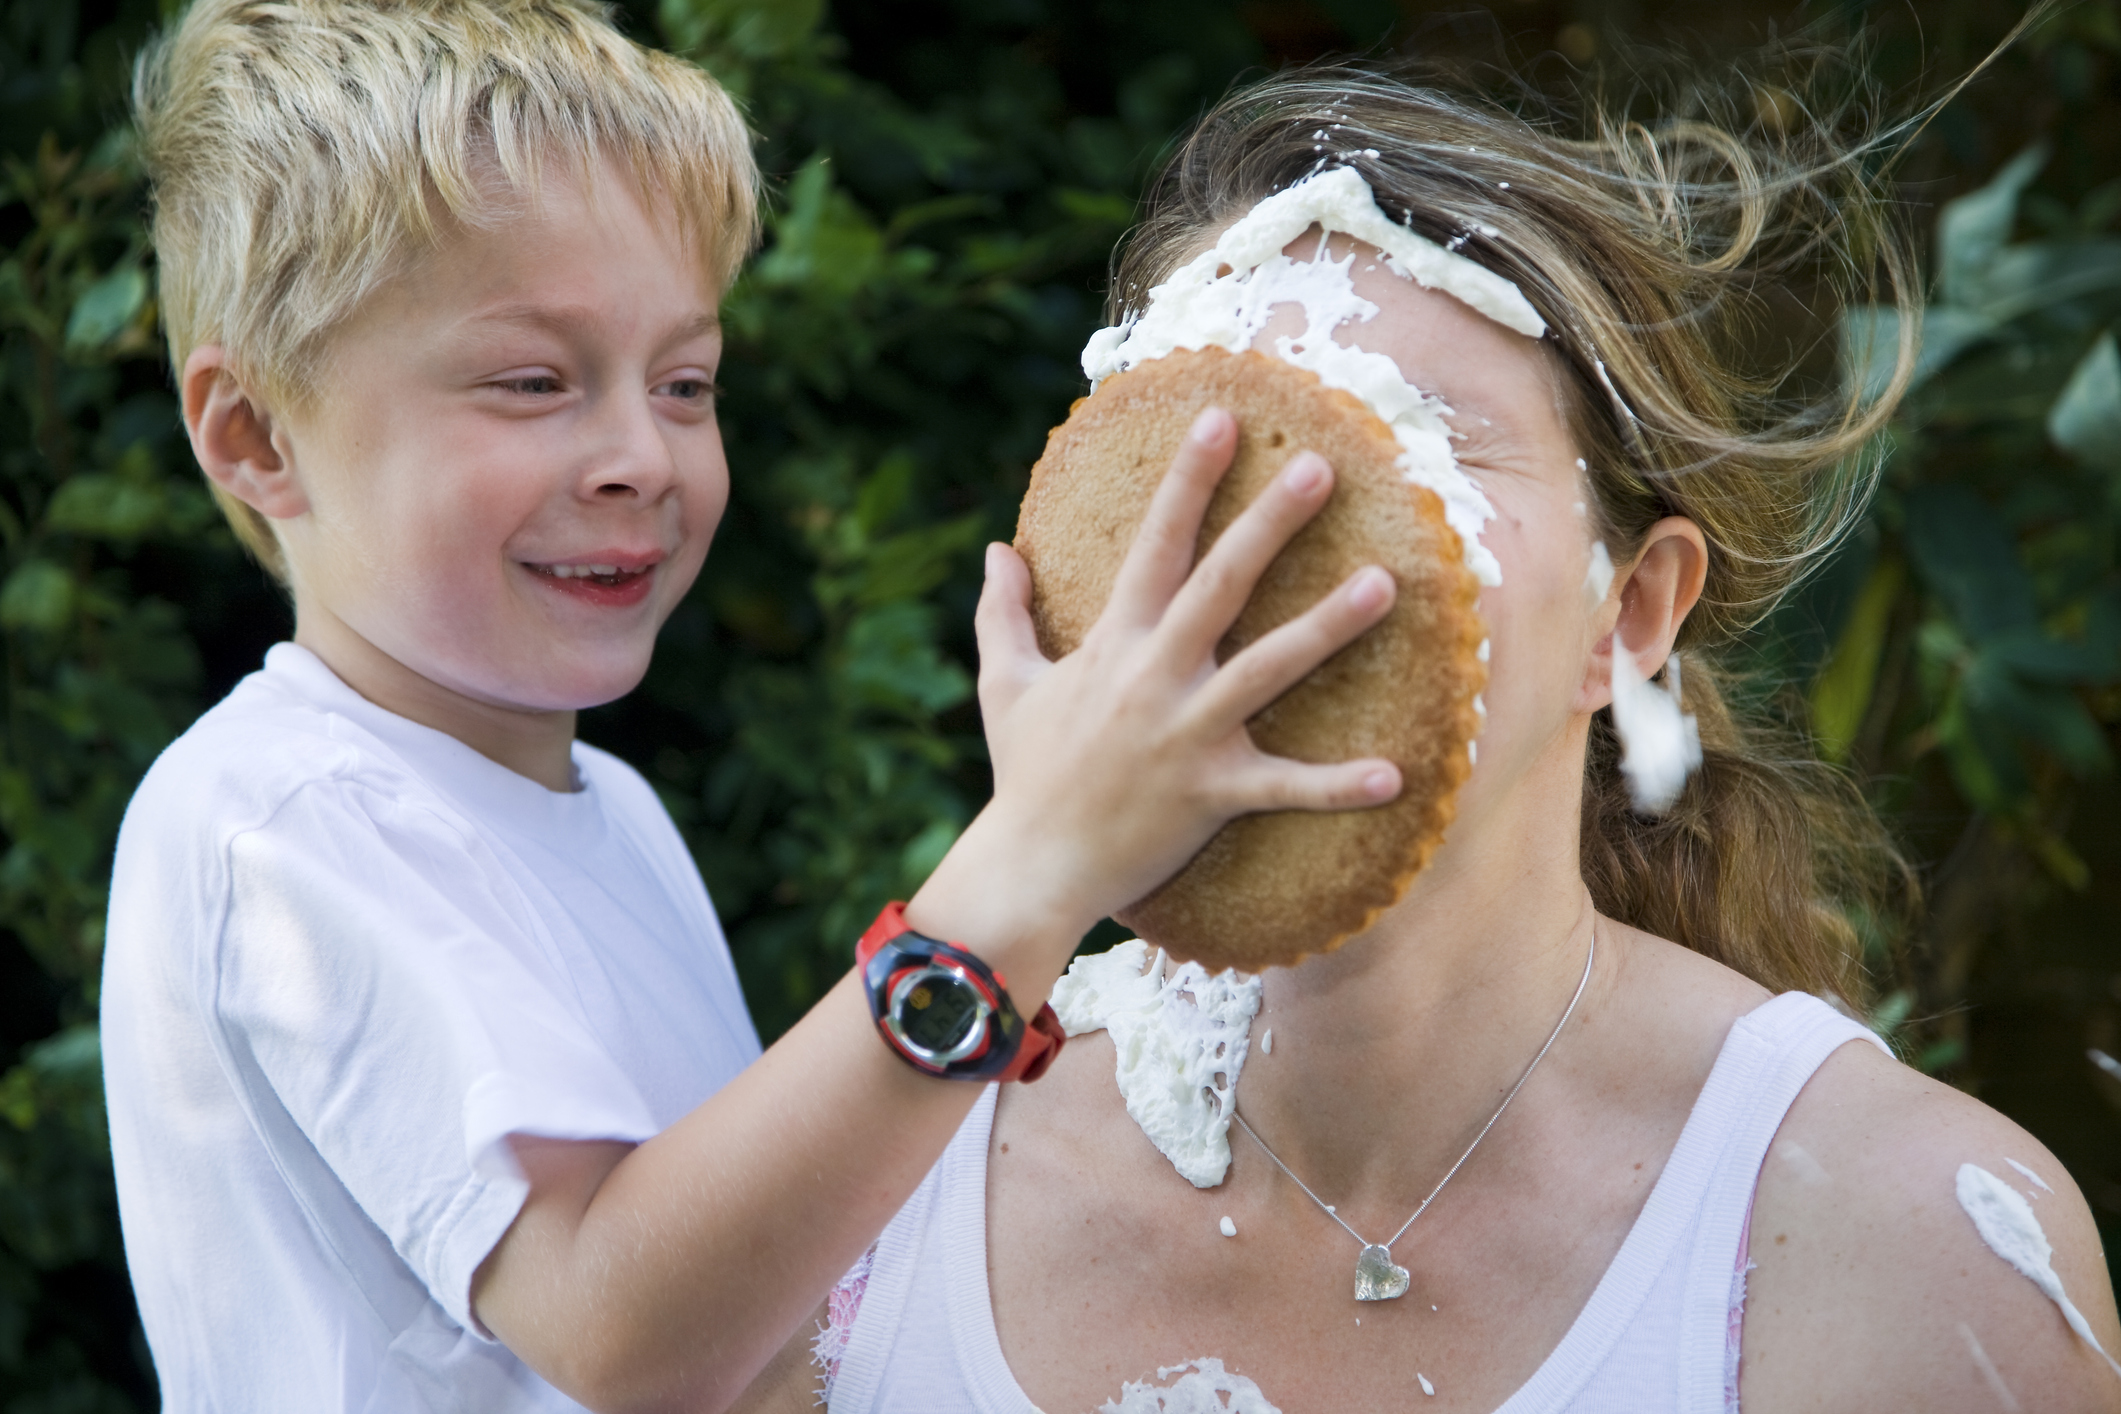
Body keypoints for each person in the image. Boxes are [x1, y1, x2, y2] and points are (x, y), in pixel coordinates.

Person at [737, 62, 2121, 1414]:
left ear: (1627, 615)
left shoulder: (1897, 1250)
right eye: (1204, 441)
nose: (1275, 517)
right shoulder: (855, 1197)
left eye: (1412, 430)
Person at [98, 3, 1409, 1410]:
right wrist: (1033, 863)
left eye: (684, 381)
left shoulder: (610, 813)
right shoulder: (277, 818)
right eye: (532, 380)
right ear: (254, 436)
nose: (637, 456)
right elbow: (628, 1335)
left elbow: (768, 1328)